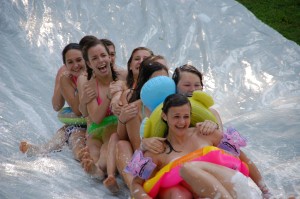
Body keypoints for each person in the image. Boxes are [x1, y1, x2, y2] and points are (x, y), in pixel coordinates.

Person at [131, 93, 271, 199]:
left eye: (186, 116)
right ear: (164, 116)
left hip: (233, 186)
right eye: (176, 116)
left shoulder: (207, 133)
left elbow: (244, 159)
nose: (182, 122)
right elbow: (136, 184)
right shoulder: (156, 149)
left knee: (187, 167)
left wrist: (266, 191)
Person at [19, 43, 87, 161]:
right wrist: (62, 82)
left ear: (87, 59)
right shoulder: (65, 75)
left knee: (73, 132)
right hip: (79, 123)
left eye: (79, 60)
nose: (75, 65)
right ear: (65, 64)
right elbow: (57, 106)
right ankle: (44, 149)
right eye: (70, 62)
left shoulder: (95, 72)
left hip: (95, 121)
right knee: (71, 132)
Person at [115, 57, 170, 192]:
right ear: (146, 84)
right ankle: (135, 189)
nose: (161, 85)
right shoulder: (135, 109)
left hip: (169, 156)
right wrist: (145, 143)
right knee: (121, 144)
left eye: (165, 80)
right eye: (156, 81)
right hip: (147, 159)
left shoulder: (175, 104)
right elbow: (137, 149)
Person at [77, 38, 121, 193]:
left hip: (114, 127)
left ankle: (101, 168)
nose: (100, 61)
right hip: (96, 128)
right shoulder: (89, 85)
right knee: (94, 145)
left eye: (103, 55)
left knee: (107, 143)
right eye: (94, 58)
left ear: (109, 57)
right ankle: (95, 168)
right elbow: (96, 118)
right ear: (89, 64)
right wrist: (108, 97)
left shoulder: (121, 76)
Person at [173, 64, 223, 129]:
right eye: (187, 85)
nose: (193, 90)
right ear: (175, 87)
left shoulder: (212, 113)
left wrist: (214, 127)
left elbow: (221, 136)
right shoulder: (169, 114)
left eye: (197, 85)